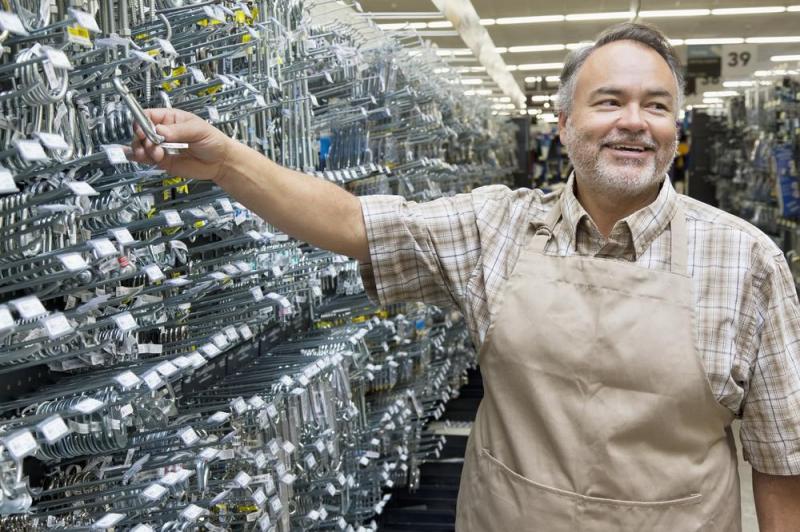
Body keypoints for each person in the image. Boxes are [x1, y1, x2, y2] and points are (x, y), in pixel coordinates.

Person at [131, 22, 800, 532]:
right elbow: (351, 221)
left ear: (676, 126)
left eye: (656, 106)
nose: (634, 122)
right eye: (609, 102)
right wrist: (225, 164)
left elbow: (781, 462)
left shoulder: (747, 261)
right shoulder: (496, 227)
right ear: (563, 124)